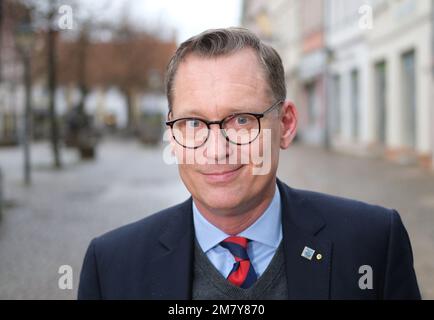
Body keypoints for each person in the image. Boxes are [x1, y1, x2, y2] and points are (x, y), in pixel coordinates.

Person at [78, 27, 421, 300]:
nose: (216, 150)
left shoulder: (373, 243)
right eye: (194, 123)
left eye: (241, 120)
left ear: (285, 125)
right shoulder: (110, 267)